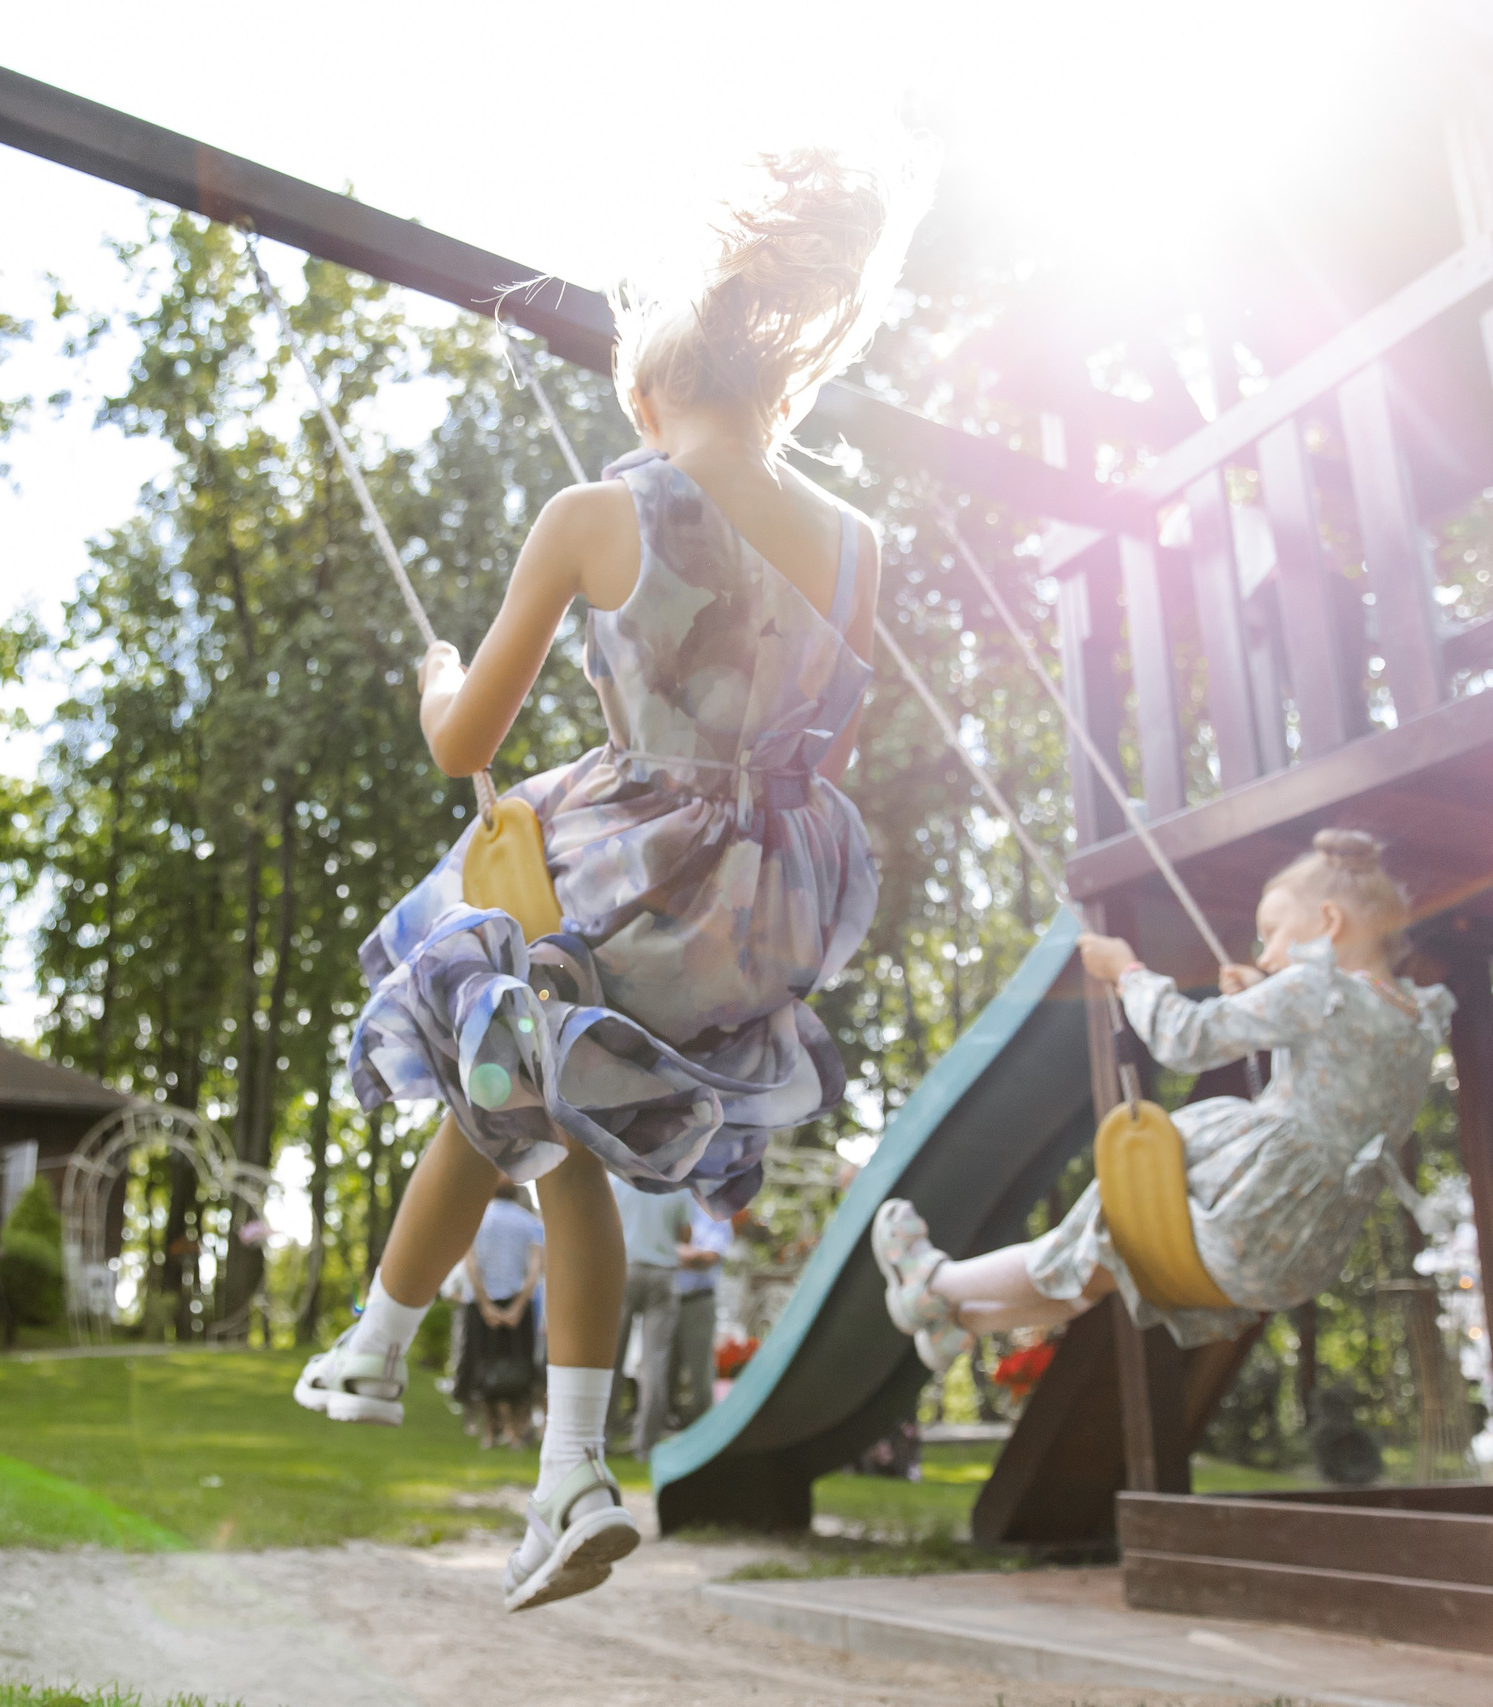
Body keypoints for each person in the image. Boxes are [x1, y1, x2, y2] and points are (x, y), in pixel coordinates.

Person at [291, 148, 907, 1613]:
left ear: (647, 393)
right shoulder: (862, 545)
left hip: (635, 868)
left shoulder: (595, 511)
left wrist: (440, 672)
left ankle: (389, 1345)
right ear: (782, 389)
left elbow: (467, 740)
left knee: (492, 1021)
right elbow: (802, 720)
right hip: (765, 907)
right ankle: (553, 1463)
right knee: (540, 1100)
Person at [873, 829, 1453, 1363]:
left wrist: (1128, 973)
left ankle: (933, 1283)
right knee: (1101, 1270)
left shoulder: (1316, 987)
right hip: (1300, 1252)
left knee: (1106, 1226)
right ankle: (961, 1319)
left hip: (1244, 1213)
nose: (1267, 953)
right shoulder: (1414, 1016)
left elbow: (1188, 1039)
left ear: (1329, 920)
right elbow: (1339, 1069)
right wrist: (1261, 995)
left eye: (1273, 932)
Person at [459, 1184, 546, 1449]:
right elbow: (534, 1269)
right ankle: (515, 1433)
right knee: (520, 1367)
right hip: (518, 1304)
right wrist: (518, 1307)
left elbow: (471, 1265)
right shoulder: (530, 1224)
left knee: (484, 1366)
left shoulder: (476, 1220)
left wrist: (485, 1305)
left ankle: (488, 1432)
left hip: (481, 1303)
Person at [609, 1174, 691, 1456]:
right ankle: (645, 1444)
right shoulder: (677, 1187)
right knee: (655, 1362)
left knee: (612, 1356)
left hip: (625, 1269)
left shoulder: (617, 1182)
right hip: (663, 1273)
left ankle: (603, 1436)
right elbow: (685, 1236)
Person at [671, 1210, 732, 1429]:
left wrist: (669, 1253)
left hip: (698, 1300)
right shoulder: (671, 1203)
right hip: (666, 1301)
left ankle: (705, 1428)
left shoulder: (715, 1215)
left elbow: (708, 1258)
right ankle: (666, 1425)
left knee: (700, 1371)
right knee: (662, 1368)